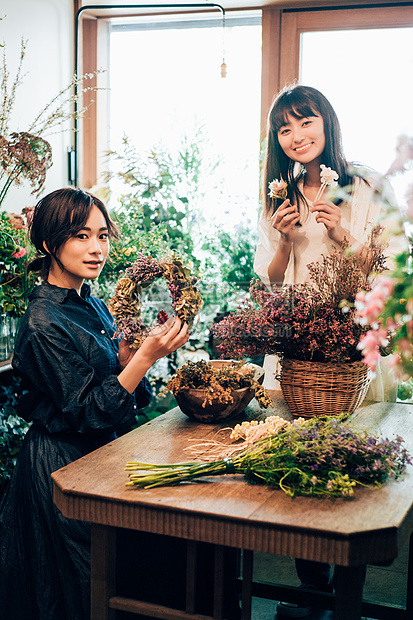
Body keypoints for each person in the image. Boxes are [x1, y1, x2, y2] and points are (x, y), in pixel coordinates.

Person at [0, 187, 190, 620]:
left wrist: (128, 362)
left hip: (103, 455)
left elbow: (126, 399)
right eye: (81, 236)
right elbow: (86, 412)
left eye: (102, 236)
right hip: (61, 465)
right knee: (83, 586)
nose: (96, 248)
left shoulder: (95, 304)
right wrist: (143, 358)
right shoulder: (43, 321)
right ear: (49, 244)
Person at [253, 84, 398, 618]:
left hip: (350, 342)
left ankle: (348, 591)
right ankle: (310, 587)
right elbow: (268, 284)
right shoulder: (278, 191)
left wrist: (342, 237)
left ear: (326, 122)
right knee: (302, 462)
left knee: (350, 462)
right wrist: (287, 243)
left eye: (305, 122)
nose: (295, 137)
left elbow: (391, 269)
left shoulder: (365, 186)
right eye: (284, 129)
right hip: (299, 343)